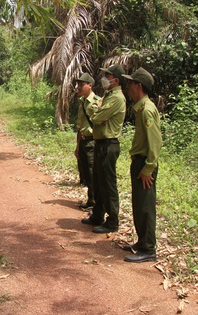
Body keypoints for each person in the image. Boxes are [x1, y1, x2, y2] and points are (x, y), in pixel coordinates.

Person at [121, 67, 162, 263]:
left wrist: (148, 168)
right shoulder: (140, 108)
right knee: (139, 204)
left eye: (130, 83)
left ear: (138, 86)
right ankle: (141, 241)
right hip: (139, 162)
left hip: (145, 164)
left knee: (145, 206)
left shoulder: (146, 110)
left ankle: (148, 249)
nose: (127, 87)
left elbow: (155, 142)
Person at [81, 64, 126, 234]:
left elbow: (97, 116)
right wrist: (99, 113)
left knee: (107, 184)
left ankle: (112, 220)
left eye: (108, 76)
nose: (105, 79)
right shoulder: (108, 95)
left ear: (116, 80)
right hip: (101, 143)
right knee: (99, 182)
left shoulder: (117, 98)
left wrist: (97, 112)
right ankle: (98, 215)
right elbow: (98, 117)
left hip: (109, 144)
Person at [73, 73, 100, 210]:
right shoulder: (82, 102)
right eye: (78, 85)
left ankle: (95, 202)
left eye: (81, 85)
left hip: (92, 142)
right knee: (86, 174)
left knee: (92, 173)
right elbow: (80, 126)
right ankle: (91, 200)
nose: (78, 87)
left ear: (90, 85)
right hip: (83, 141)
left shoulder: (97, 101)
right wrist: (77, 146)